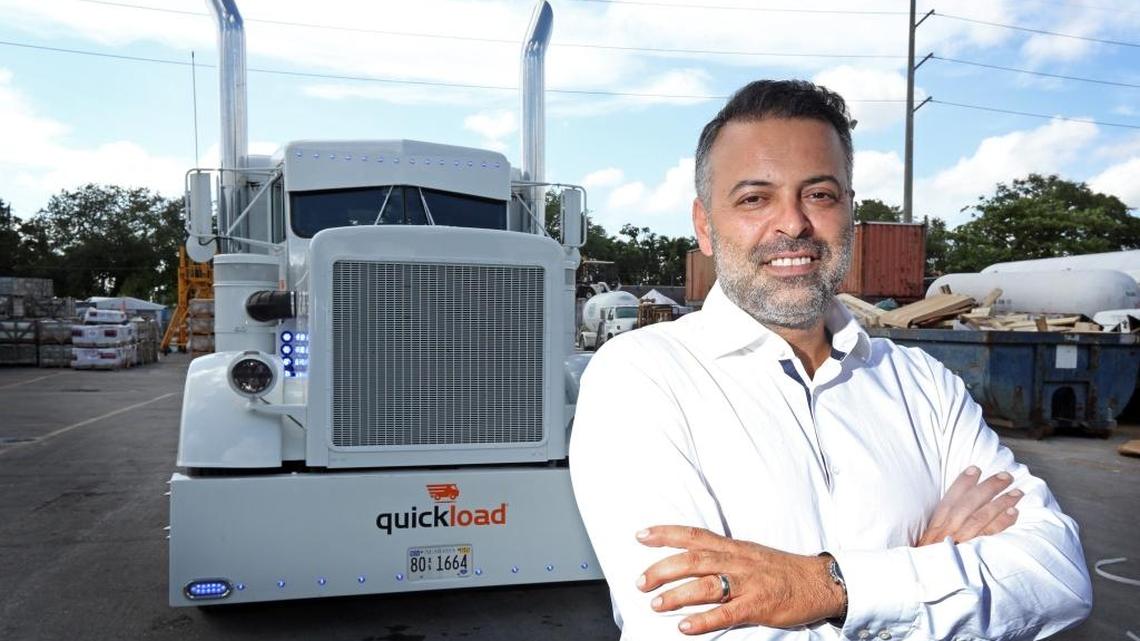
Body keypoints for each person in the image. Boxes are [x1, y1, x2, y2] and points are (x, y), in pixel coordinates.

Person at [568, 80, 1092, 640]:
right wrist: (927, 576)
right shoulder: (641, 378)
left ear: (849, 211)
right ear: (704, 226)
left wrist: (829, 588)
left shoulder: (921, 383)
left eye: (819, 194)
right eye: (754, 198)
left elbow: (1057, 575)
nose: (792, 224)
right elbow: (692, 628)